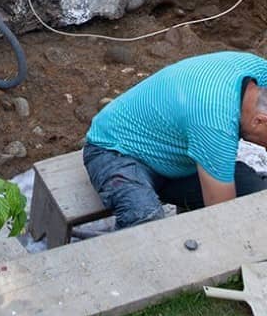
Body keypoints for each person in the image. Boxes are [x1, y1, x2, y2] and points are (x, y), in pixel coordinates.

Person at [83, 51, 267, 229]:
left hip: (177, 158)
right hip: (117, 151)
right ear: (259, 120)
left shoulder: (258, 69)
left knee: (256, 197)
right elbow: (221, 212)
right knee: (144, 219)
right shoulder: (215, 123)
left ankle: (189, 220)